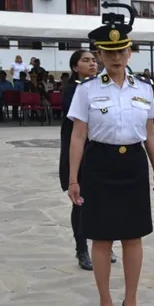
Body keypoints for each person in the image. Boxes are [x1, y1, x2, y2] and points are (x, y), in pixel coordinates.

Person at [66, 2, 154, 306]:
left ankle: (131, 299)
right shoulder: (87, 90)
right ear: (100, 53)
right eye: (109, 52)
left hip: (133, 164)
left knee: (133, 237)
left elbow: (149, 133)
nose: (116, 57)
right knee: (102, 237)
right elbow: (78, 136)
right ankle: (105, 300)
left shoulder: (144, 89)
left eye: (121, 50)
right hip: (99, 164)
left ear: (130, 52)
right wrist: (73, 179)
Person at [59, 49, 117, 272]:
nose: (93, 64)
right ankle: (81, 249)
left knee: (105, 202)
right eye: (86, 60)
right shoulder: (74, 90)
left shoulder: (103, 87)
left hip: (100, 153)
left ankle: (104, 244)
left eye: (94, 60)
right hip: (80, 154)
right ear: (75, 67)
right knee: (81, 205)